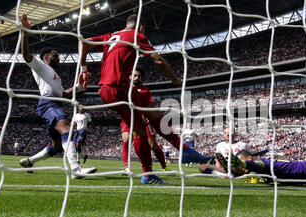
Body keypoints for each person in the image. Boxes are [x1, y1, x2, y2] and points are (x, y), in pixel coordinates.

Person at [78, 14, 210, 168]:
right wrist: (174, 79)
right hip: (116, 89)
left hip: (122, 88)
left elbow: (83, 42)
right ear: (141, 27)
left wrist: (83, 69)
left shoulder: (111, 36)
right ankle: (147, 173)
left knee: (153, 114)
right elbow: (159, 60)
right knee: (139, 131)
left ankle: (185, 150)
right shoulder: (136, 35)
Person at [19, 14, 96, 179]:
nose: (58, 58)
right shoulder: (40, 66)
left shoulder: (55, 76)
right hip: (48, 104)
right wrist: (25, 34)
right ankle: (75, 170)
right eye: (55, 55)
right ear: (46, 58)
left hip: (55, 104)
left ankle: (30, 161)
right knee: (66, 128)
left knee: (57, 146)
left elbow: (64, 94)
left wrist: (80, 87)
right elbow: (26, 56)